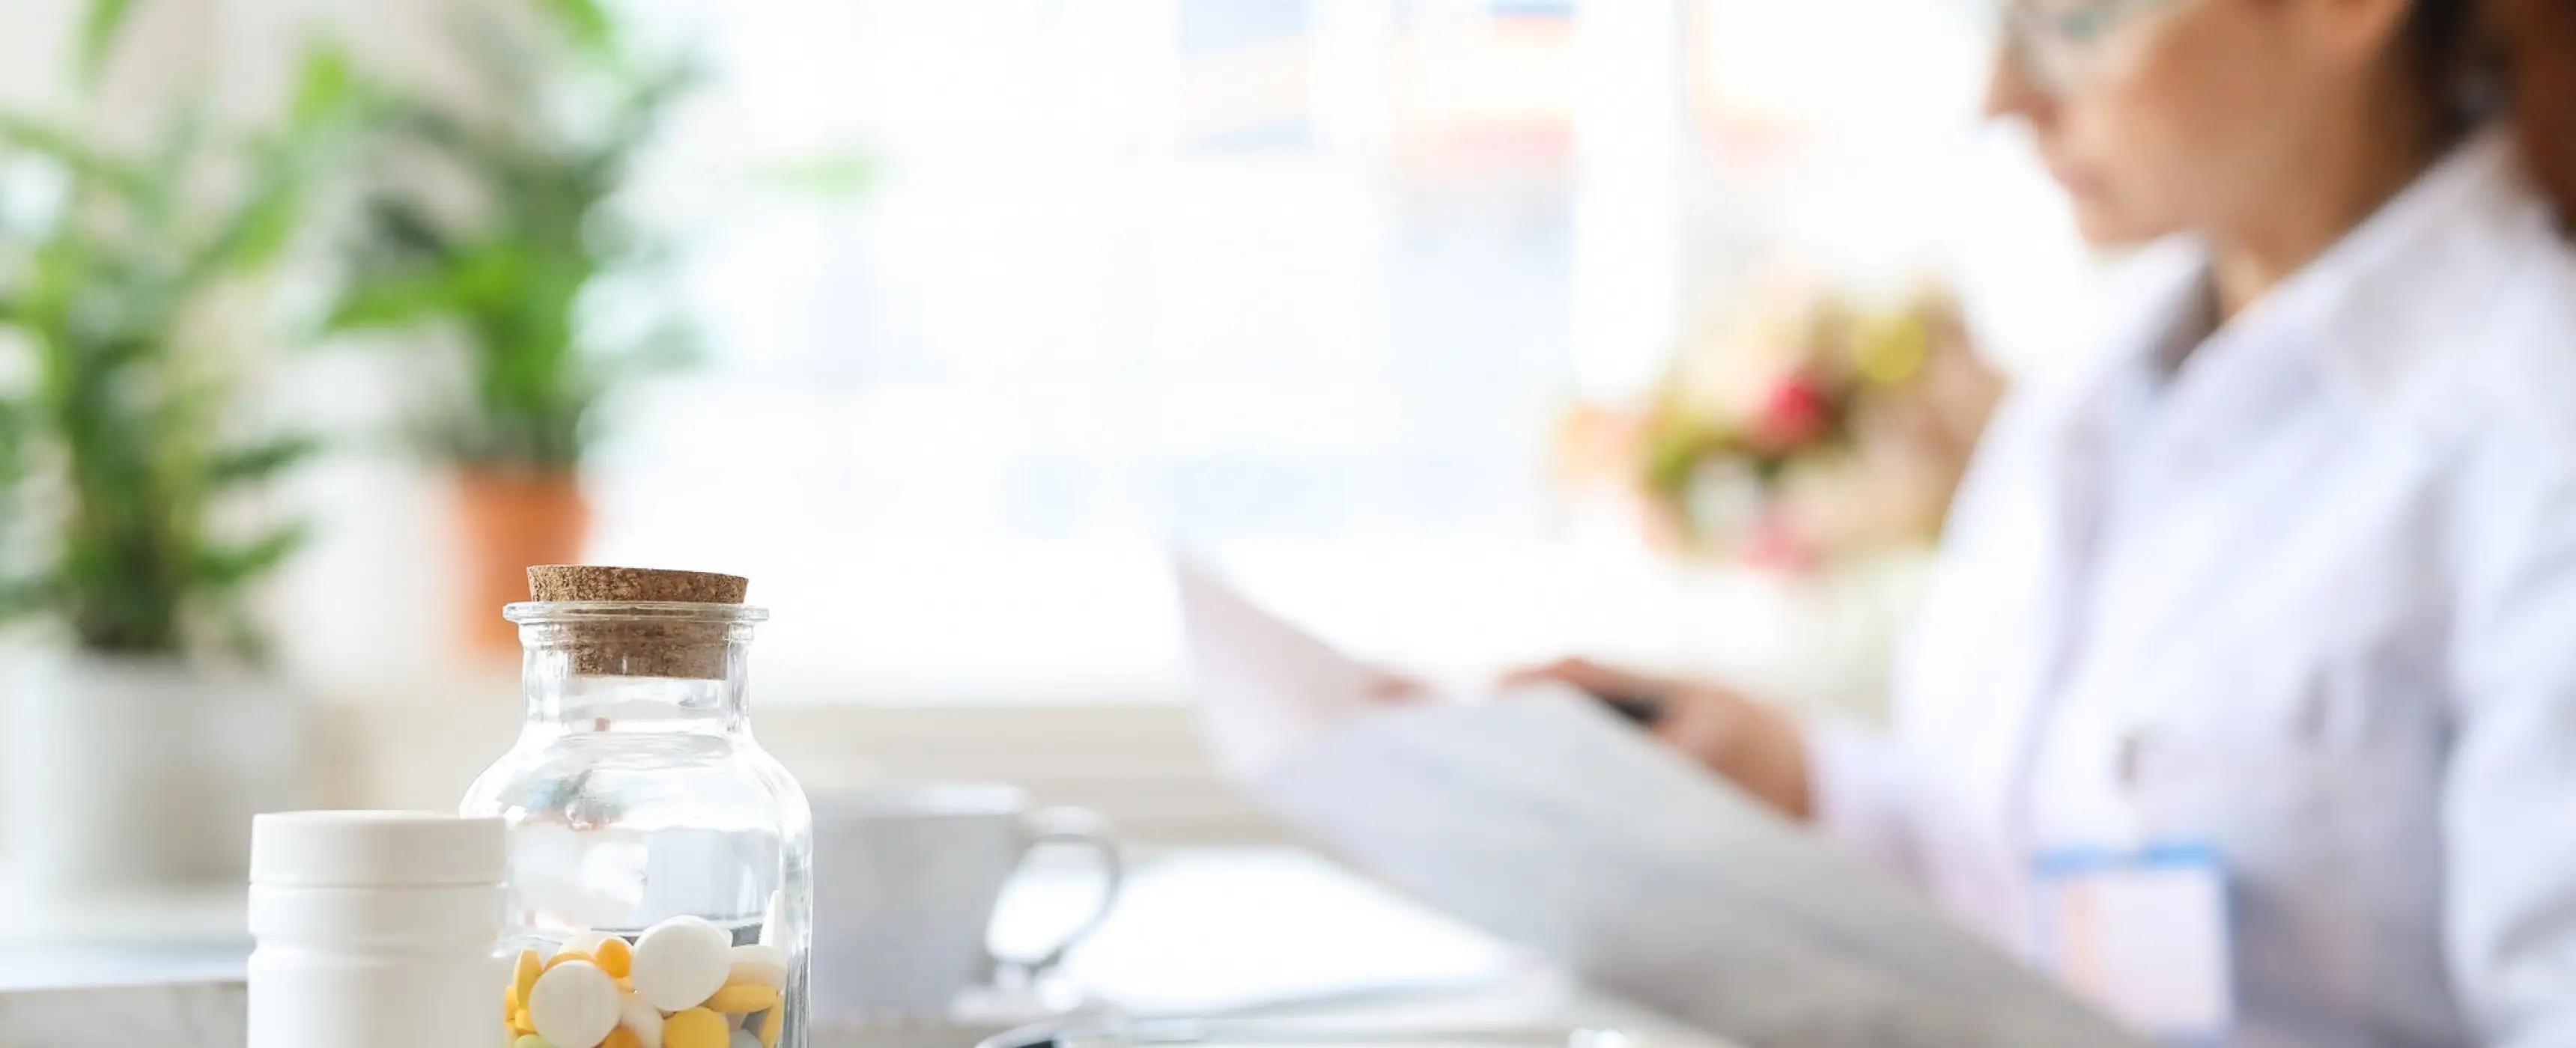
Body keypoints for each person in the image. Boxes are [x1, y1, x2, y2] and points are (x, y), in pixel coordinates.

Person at [1510, 1, 2576, 1045]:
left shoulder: (2532, 420)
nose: (2004, 96)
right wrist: (1800, 781)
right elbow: (2043, 872)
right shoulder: (2094, 384)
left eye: (2073, 24)